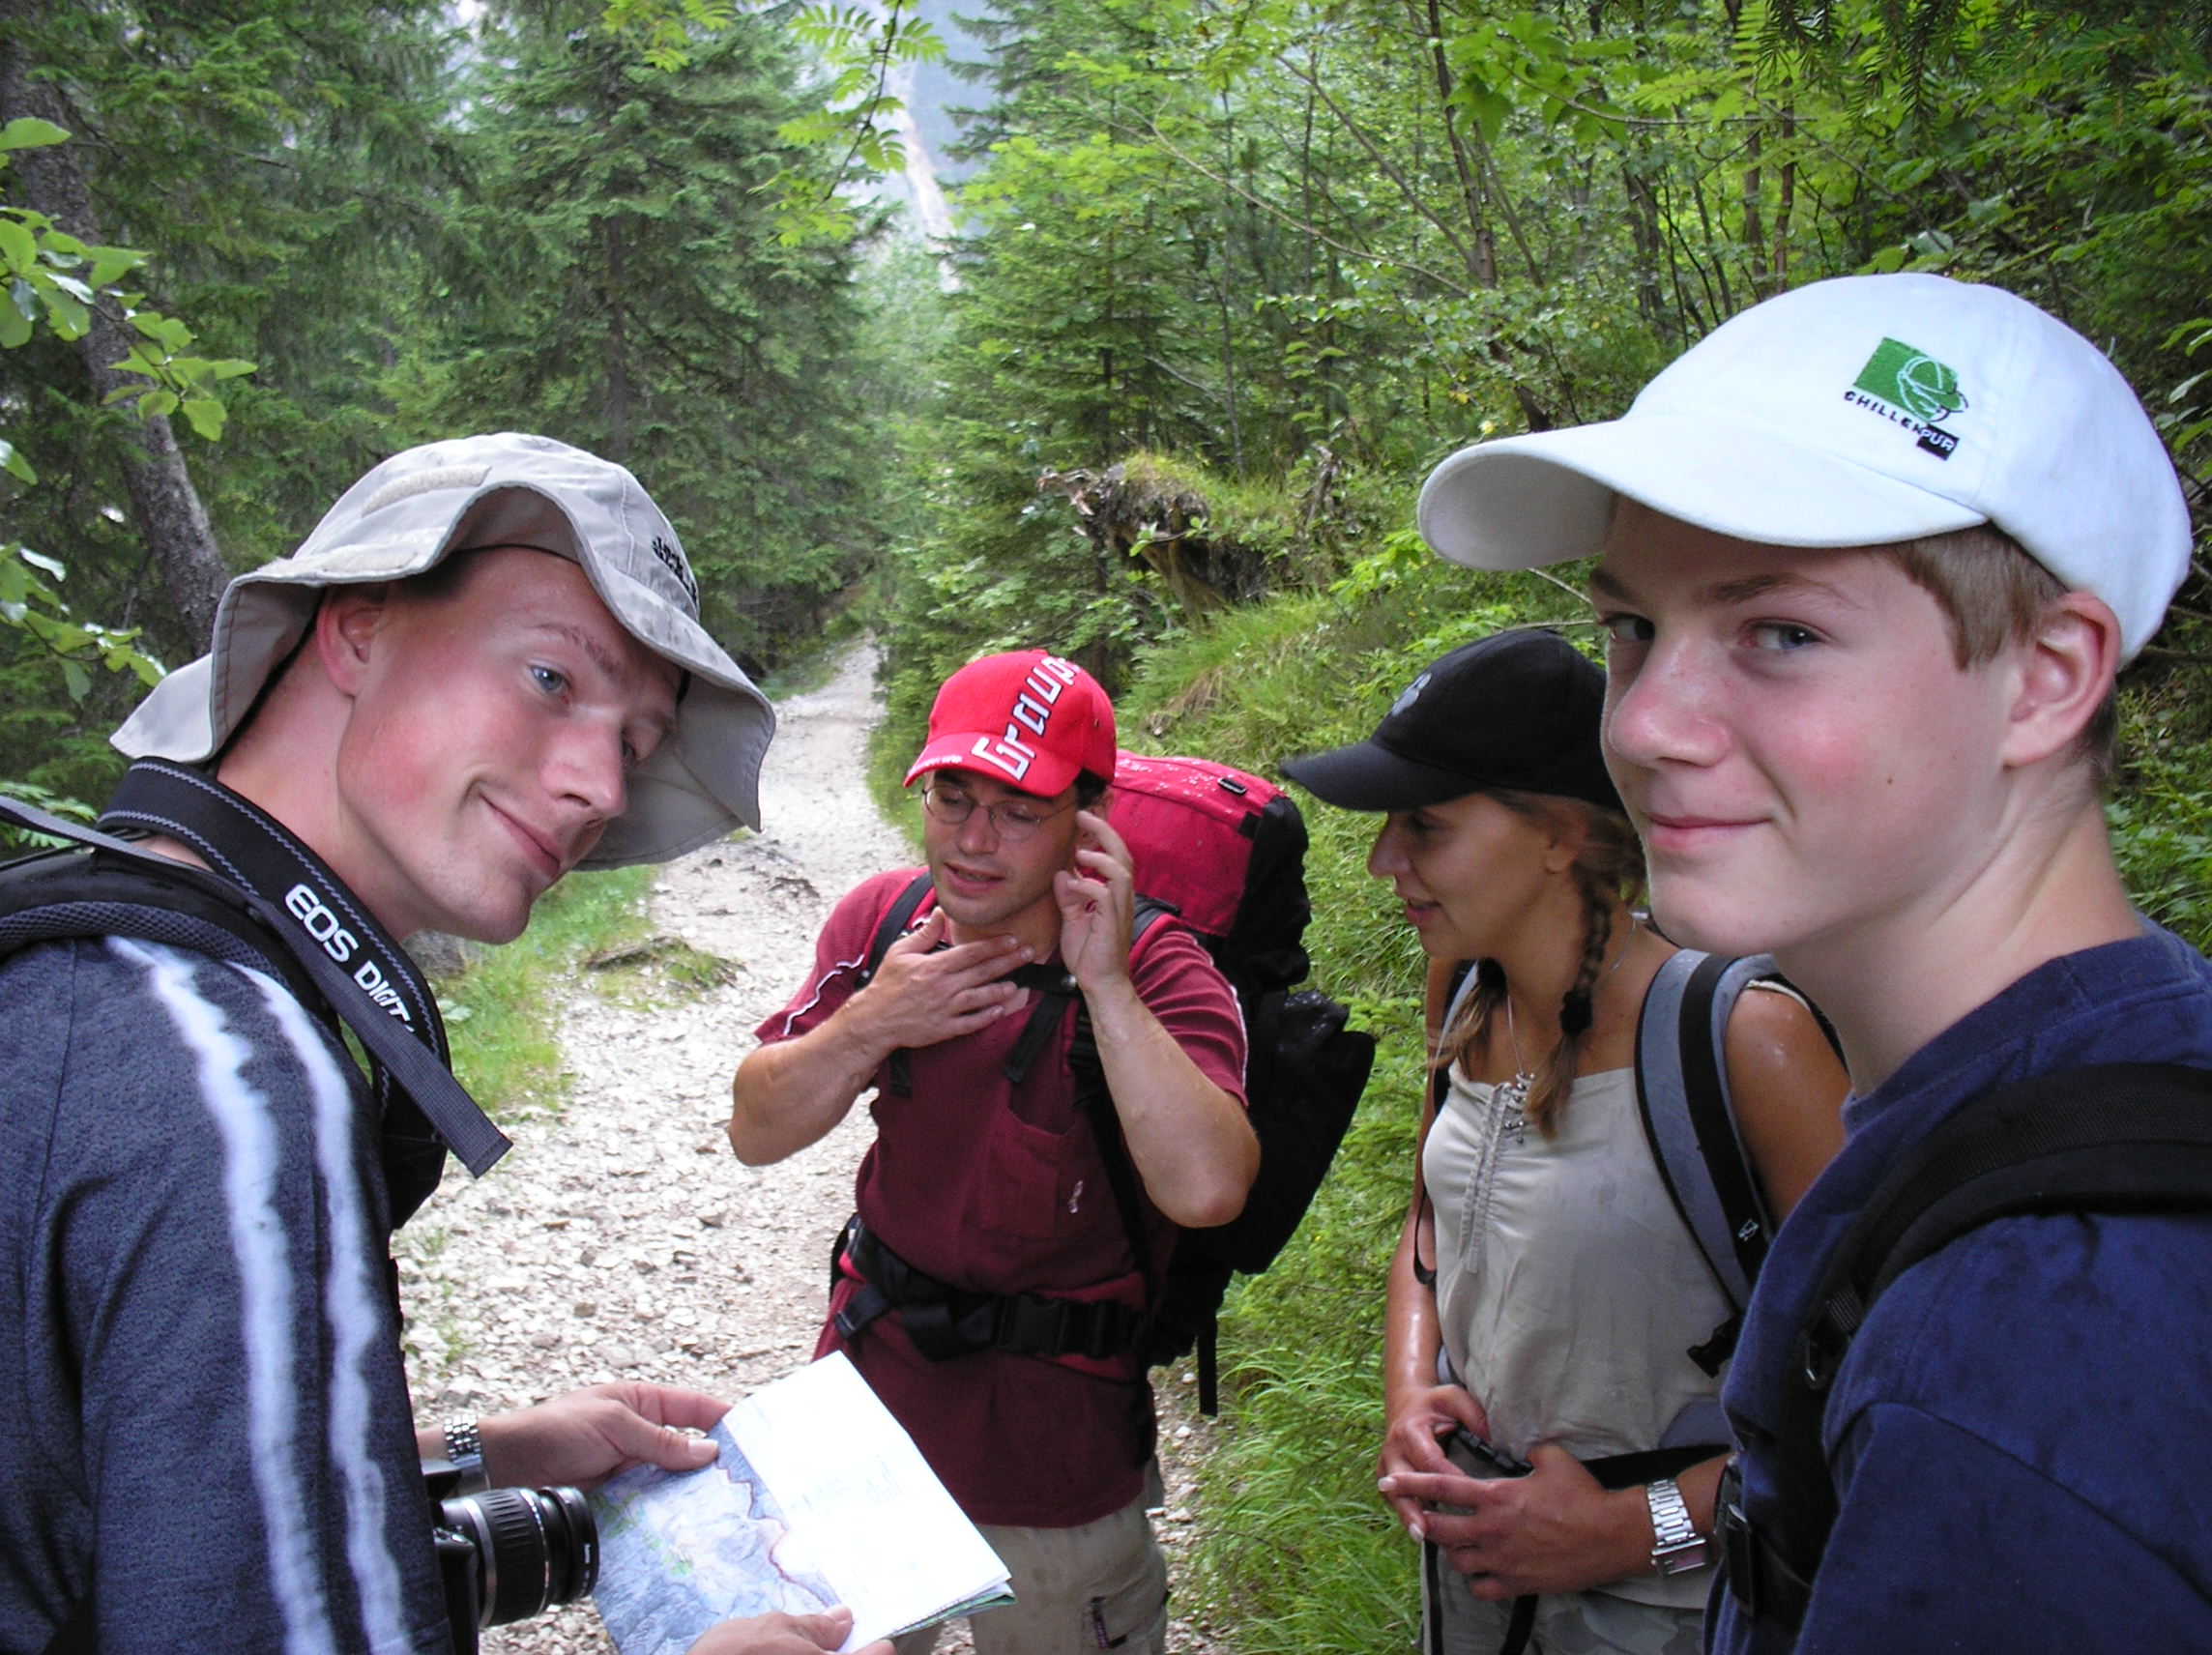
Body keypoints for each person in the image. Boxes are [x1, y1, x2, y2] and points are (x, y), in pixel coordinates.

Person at [1412, 273, 2210, 1652]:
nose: (1643, 724)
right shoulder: (2117, 1070)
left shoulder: (2016, 1368)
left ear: (2045, 675)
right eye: (1632, 628)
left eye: (1779, 633)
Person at [0, 432, 879, 1655]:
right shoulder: (228, 1084)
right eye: (551, 677)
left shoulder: (89, 965)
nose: (603, 789)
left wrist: (479, 1451)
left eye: (633, 745)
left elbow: (111, 1491)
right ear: (356, 628)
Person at [1281, 629, 1847, 1655]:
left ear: (1561, 836)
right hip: (1479, 1578)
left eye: (1424, 825)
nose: (1381, 861)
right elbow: (1429, 1222)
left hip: (1685, 1613)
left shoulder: (1745, 1042)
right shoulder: (1465, 987)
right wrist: (1409, 1391)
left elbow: (1872, 1387)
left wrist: (1631, 1528)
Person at [727, 650, 1260, 1654]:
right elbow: (755, 1129)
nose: (972, 841)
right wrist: (873, 1021)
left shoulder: (1157, 967)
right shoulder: (887, 925)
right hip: (866, 1420)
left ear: (1088, 820)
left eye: (1018, 811)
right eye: (952, 797)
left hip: (1055, 1462)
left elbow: (1208, 1188)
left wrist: (1104, 986)